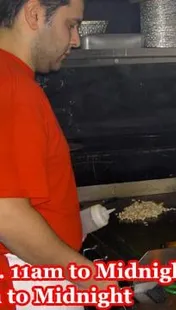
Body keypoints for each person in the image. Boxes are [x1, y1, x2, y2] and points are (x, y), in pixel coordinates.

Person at [0, 0, 118, 309]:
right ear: (35, 13)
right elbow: (6, 214)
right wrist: (91, 279)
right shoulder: (11, 83)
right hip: (29, 279)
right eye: (71, 25)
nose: (76, 40)